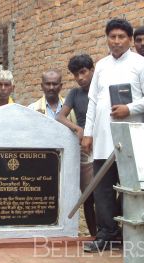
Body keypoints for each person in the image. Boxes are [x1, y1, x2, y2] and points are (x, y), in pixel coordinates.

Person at [82, 18, 144, 252]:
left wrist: (130, 109)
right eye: (112, 37)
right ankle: (107, 235)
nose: (116, 41)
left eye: (121, 37)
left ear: (130, 40)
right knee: (102, 190)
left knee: (129, 189)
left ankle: (130, 234)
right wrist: (88, 133)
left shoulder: (140, 64)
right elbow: (93, 101)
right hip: (103, 139)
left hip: (130, 139)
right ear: (107, 39)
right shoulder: (101, 65)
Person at [56, 54, 96, 236]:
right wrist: (78, 129)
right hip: (85, 150)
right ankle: (95, 233)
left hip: (103, 146)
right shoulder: (74, 94)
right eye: (76, 74)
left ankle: (110, 231)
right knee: (88, 194)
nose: (80, 78)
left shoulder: (101, 90)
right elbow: (60, 116)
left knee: (107, 193)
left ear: (92, 70)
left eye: (83, 72)